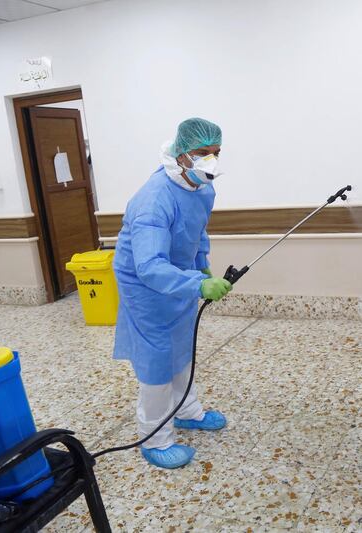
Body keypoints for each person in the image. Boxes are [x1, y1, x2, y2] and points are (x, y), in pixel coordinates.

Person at [113, 117, 233, 469]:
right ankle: (154, 437)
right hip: (144, 285)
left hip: (179, 274)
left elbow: (197, 229)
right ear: (181, 154)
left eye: (216, 152)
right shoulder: (153, 200)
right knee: (158, 358)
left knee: (182, 346)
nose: (210, 160)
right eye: (202, 153)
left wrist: (201, 263)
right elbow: (149, 266)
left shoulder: (203, 186)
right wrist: (196, 283)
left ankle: (187, 411)